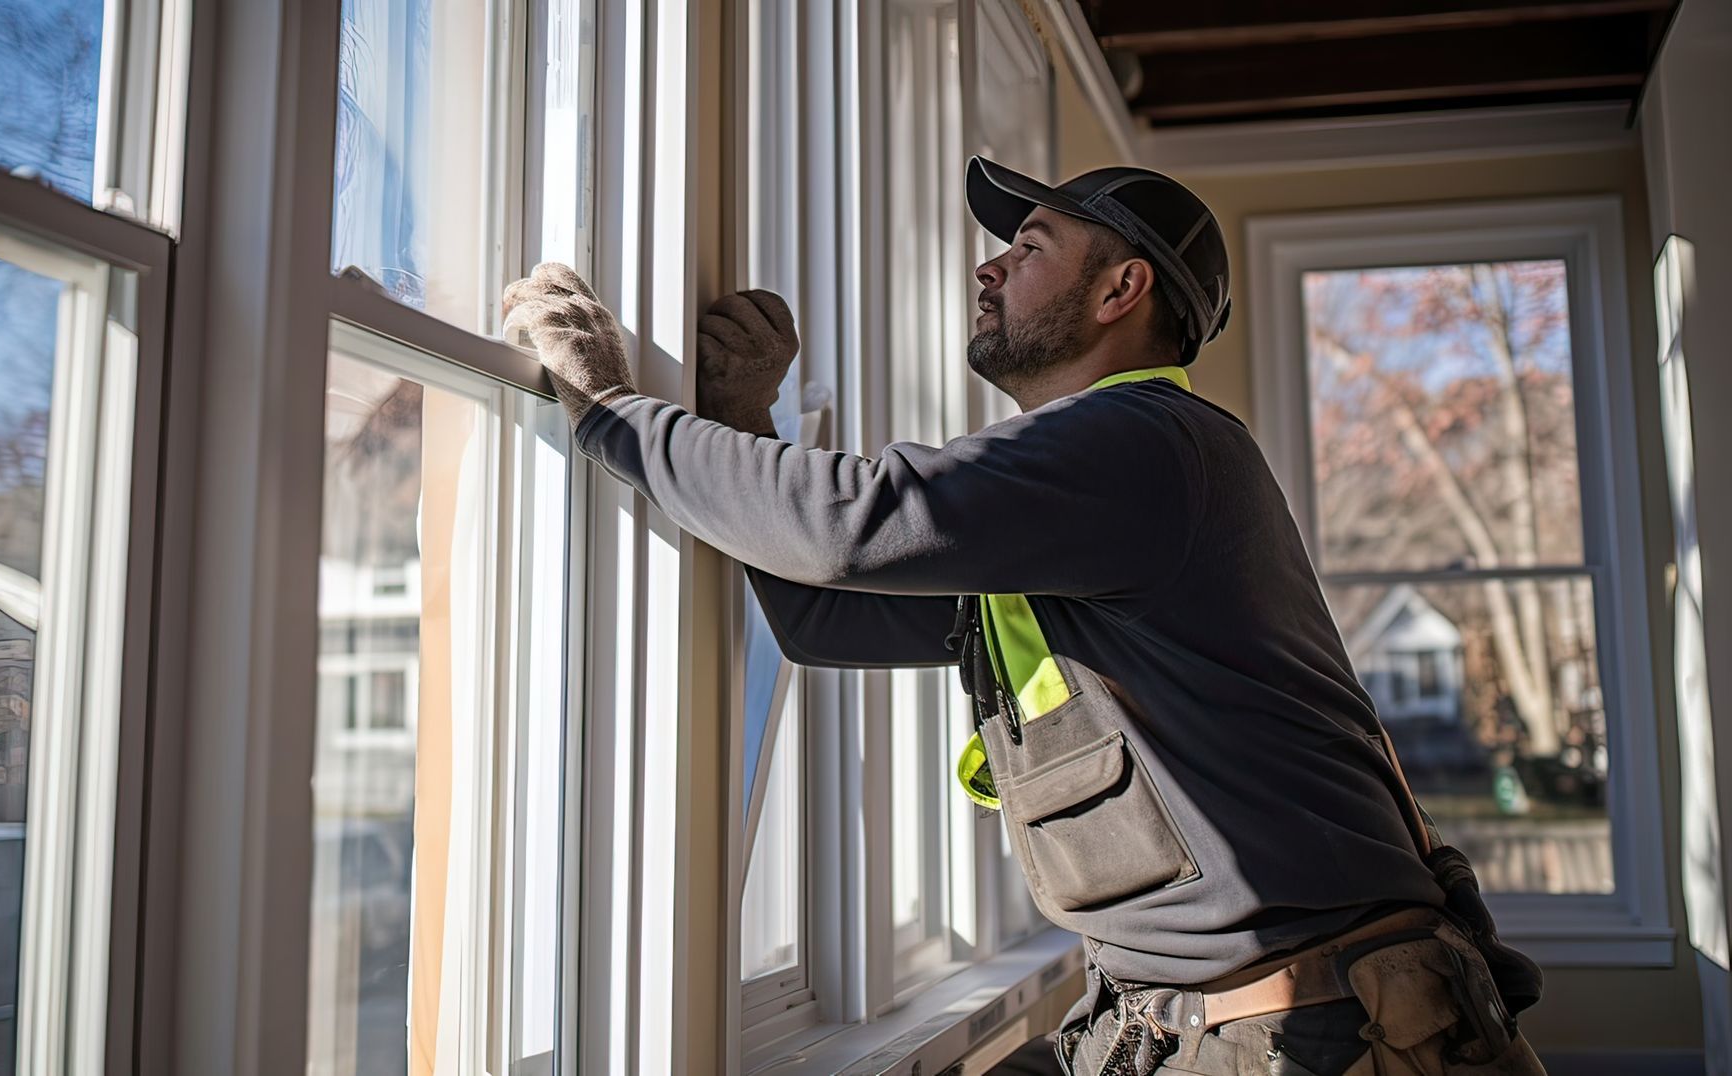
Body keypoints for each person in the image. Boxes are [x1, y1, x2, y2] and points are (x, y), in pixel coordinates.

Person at [502, 158, 1546, 1075]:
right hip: (1241, 1020)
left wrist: (612, 410)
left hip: (1317, 1033)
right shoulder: (1085, 517)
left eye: (1032, 247)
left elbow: (851, 526)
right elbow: (829, 619)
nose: (988, 267)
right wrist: (741, 416)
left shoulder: (1145, 442)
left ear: (1122, 289)